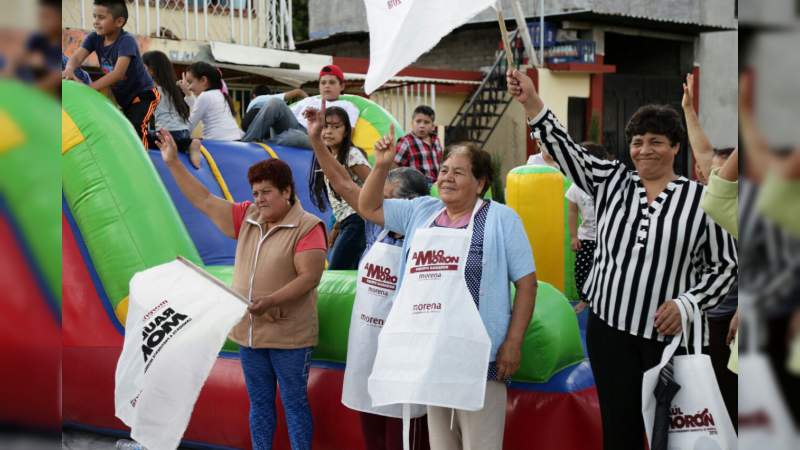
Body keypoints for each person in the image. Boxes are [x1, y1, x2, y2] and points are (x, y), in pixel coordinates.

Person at [507, 69, 737, 450]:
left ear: (676, 147)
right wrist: (532, 102)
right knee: (620, 426)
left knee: (673, 433)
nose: (644, 149)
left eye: (656, 142)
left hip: (669, 341)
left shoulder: (700, 200)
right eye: (637, 141)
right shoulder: (610, 180)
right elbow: (565, 149)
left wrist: (688, 303)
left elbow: (726, 266)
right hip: (610, 330)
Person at [359, 131, 538, 450]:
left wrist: (513, 342)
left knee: (480, 444)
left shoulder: (502, 219)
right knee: (441, 445)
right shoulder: (421, 211)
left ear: (480, 182)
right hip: (432, 356)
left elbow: (527, 285)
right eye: (443, 170)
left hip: (481, 357)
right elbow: (369, 206)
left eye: (458, 172)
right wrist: (382, 166)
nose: (447, 178)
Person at [154, 129, 326, 450]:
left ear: (287, 191)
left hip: (290, 337)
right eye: (256, 192)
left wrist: (270, 301)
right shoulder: (247, 216)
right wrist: (173, 164)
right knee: (259, 405)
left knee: (294, 404)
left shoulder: (308, 227)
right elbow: (204, 200)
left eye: (266, 192)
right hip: (249, 334)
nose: (259, 199)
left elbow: (309, 278)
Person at [305, 103, 431, 450]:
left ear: (411, 205)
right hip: (366, 351)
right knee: (371, 434)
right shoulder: (375, 225)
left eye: (386, 197)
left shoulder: (424, 233)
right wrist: (317, 142)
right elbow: (343, 181)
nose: (375, 203)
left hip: (403, 356)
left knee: (402, 438)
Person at [63, 0, 159, 148]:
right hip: (124, 98)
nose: (95, 22)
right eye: (94, 16)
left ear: (119, 21)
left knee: (136, 128)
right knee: (124, 130)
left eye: (101, 17)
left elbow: (118, 74)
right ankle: (174, 142)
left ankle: (144, 161)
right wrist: (69, 69)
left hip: (144, 95)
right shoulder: (94, 38)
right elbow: (76, 58)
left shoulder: (126, 41)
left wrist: (90, 88)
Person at [307, 106, 371, 269]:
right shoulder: (327, 158)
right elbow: (341, 202)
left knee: (336, 270)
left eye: (336, 127)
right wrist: (336, 228)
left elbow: (373, 185)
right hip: (346, 223)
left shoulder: (351, 154)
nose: (329, 131)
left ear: (346, 131)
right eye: (326, 126)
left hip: (358, 221)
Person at [242, 64, 360, 148]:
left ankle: (263, 144)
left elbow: (348, 133)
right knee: (275, 102)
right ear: (319, 86)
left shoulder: (348, 106)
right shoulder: (309, 100)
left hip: (316, 137)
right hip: (295, 127)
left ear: (342, 86)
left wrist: (322, 124)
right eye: (323, 83)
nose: (327, 86)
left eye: (332, 82)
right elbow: (282, 115)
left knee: (294, 136)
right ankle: (246, 143)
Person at [567, 142, 613, 315]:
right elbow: (572, 211)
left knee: (606, 270)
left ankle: (604, 300)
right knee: (582, 270)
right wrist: (573, 236)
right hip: (586, 237)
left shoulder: (608, 184)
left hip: (608, 237)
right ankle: (585, 299)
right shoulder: (576, 187)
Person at [177, 61, 244, 163]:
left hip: (216, 144)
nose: (189, 87)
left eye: (190, 82)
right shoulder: (218, 94)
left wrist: (176, 138)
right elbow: (198, 108)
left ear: (203, 80)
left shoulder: (205, 96)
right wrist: (187, 93)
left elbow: (189, 126)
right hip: (234, 141)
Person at [142, 51, 195, 165]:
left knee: (139, 136)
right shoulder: (175, 89)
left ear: (151, 70)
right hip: (184, 135)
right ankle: (191, 144)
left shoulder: (151, 91)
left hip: (166, 136)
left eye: (143, 68)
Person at [393, 105, 444, 184]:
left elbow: (440, 162)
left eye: (426, 122)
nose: (422, 126)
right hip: (416, 187)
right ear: (412, 123)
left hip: (435, 185)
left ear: (433, 126)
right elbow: (395, 167)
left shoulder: (436, 140)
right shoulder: (405, 142)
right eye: (418, 121)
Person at [242, 84, 308, 133]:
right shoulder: (259, 100)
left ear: (253, 95)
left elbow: (298, 92)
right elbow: (298, 92)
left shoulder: (256, 101)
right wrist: (310, 100)